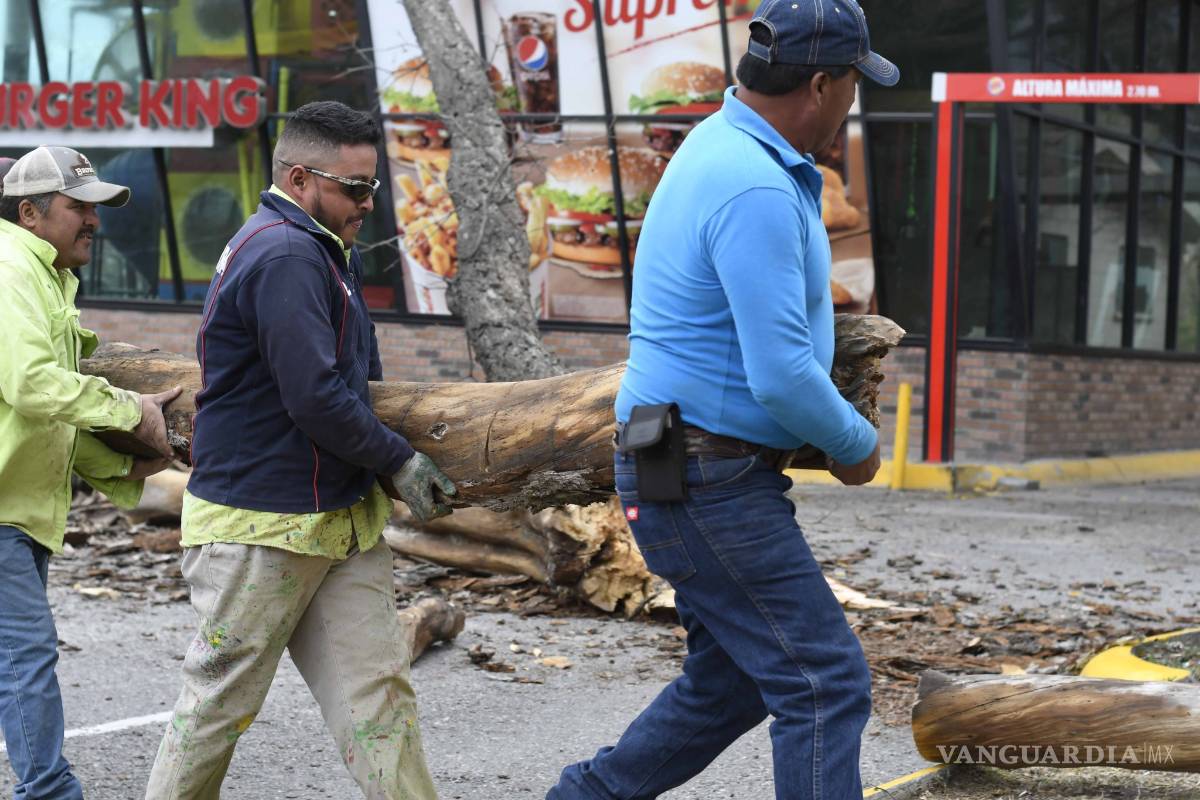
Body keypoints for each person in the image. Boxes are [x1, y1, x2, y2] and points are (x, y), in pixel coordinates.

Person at [548, 2, 898, 798]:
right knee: (824, 683)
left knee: (736, 680)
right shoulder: (753, 186)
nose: (852, 101)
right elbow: (779, 374)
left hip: (682, 463)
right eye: (851, 83)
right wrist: (856, 445)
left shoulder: (722, 141)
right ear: (820, 83)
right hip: (708, 477)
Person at [146, 101, 454, 800]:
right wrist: (399, 460)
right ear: (299, 176)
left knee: (380, 700)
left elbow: (345, 382)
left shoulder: (314, 245)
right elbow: (314, 396)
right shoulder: (285, 254)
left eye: (372, 186)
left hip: (331, 521)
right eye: (354, 188)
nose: (367, 204)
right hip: (261, 527)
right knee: (216, 709)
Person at [0, 146, 179, 800]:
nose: (93, 221)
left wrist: (127, 468)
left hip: (19, 507)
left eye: (95, 207)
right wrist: (131, 409)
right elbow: (34, 387)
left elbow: (49, 421)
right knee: (26, 657)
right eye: (79, 206)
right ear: (31, 212)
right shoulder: (11, 272)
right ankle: (48, 792)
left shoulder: (43, 276)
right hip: (4, 514)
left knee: (16, 659)